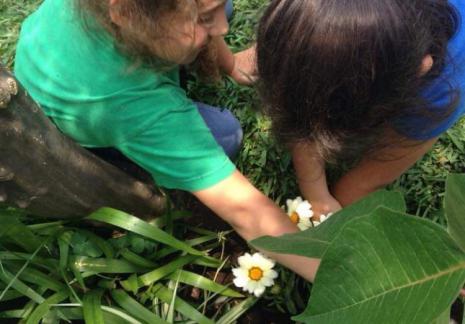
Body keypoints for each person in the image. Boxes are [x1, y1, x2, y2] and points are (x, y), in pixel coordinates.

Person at [14, 0, 319, 281]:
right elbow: (245, 211)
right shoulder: (133, 107)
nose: (223, 30)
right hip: (90, 116)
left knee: (209, 14)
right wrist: (334, 274)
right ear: (128, 14)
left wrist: (229, 62)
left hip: (57, 54)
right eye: (203, 18)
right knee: (226, 134)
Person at [256, 0, 465, 218]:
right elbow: (301, 115)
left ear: (419, 69)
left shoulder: (442, 91)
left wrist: (329, 219)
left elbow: (368, 180)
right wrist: (316, 194)